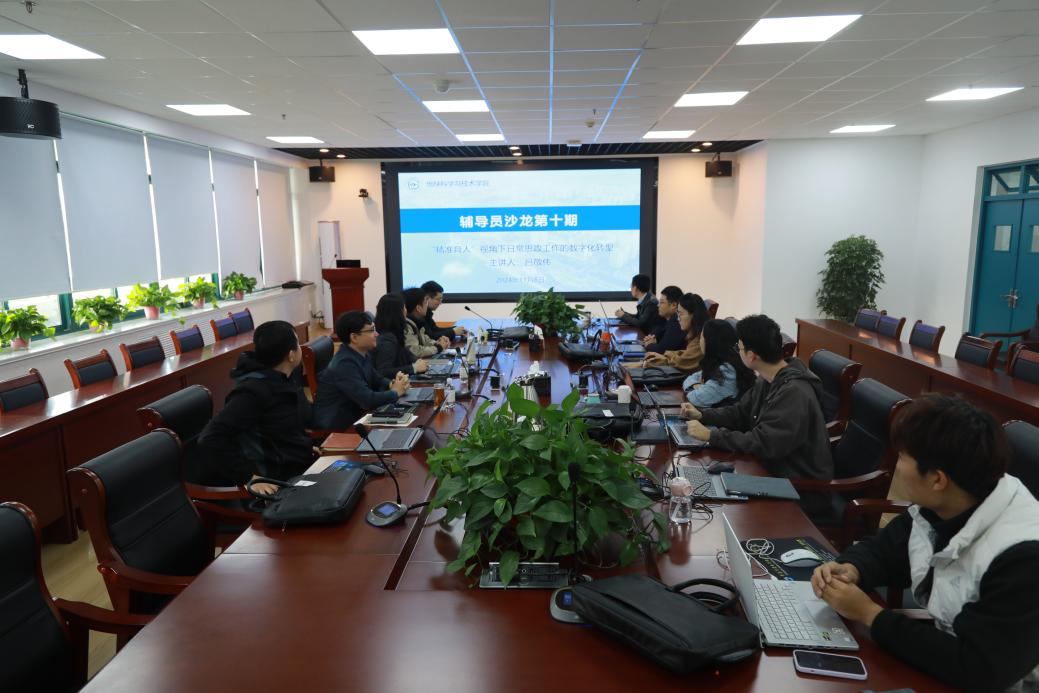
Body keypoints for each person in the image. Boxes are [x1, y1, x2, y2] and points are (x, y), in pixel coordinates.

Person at [811, 395, 1039, 692]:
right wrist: (851, 568)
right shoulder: (946, 502)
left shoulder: (1023, 557)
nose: (897, 466)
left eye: (903, 457)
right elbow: (884, 551)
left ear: (937, 480)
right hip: (950, 659)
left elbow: (980, 669)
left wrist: (869, 613)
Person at [682, 314, 833, 515]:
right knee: (705, 488)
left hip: (798, 489)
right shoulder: (769, 379)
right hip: (770, 471)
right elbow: (740, 412)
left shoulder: (795, 393)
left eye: (739, 348)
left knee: (712, 503)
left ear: (752, 356)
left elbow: (763, 442)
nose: (737, 352)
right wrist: (702, 415)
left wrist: (711, 435)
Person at [197, 320, 315, 494]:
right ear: (291, 355)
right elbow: (210, 438)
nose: (300, 348)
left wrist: (303, 446)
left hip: (299, 468)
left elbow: (282, 429)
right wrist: (248, 477)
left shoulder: (284, 377)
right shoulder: (252, 392)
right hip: (278, 484)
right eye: (298, 344)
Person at [312, 311, 409, 431]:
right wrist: (395, 392)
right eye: (371, 330)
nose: (377, 334)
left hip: (357, 415)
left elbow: (377, 378)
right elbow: (367, 400)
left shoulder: (360, 353)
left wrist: (393, 384)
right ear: (354, 337)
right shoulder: (344, 364)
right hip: (340, 424)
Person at [678, 318, 755, 408]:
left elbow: (696, 399)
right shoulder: (722, 361)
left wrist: (699, 387)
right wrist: (696, 385)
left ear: (710, 342)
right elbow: (691, 377)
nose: (700, 341)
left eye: (702, 337)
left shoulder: (727, 370)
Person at [638, 293, 708, 373]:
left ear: (694, 315)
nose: (678, 319)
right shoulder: (694, 335)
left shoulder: (701, 339)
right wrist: (664, 356)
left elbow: (681, 363)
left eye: (681, 314)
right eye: (678, 314)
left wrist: (662, 358)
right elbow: (685, 354)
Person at [372, 293, 427, 379]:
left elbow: (407, 354)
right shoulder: (386, 339)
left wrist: (418, 361)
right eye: (404, 307)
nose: (406, 311)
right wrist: (414, 368)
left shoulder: (395, 333)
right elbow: (383, 371)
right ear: (397, 312)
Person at [403, 287, 450, 358]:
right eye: (425, 303)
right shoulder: (407, 326)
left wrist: (438, 342)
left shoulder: (417, 322)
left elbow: (426, 341)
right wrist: (438, 347)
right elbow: (415, 351)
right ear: (418, 308)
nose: (427, 306)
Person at [643, 285, 686, 354]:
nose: (658, 305)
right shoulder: (668, 320)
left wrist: (649, 344)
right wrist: (654, 340)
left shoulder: (676, 322)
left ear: (673, 305)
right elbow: (663, 344)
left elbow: (661, 350)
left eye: (662, 302)